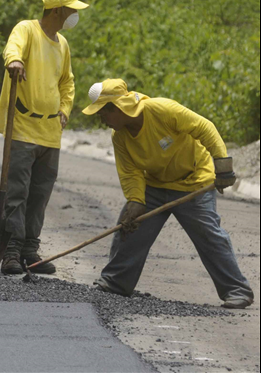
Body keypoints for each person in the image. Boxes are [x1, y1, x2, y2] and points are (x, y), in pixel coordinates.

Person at [82, 79, 254, 309]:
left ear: (118, 108)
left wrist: (222, 165)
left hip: (193, 183)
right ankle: (115, 282)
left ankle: (237, 290)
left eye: (103, 114)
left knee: (209, 235)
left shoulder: (161, 110)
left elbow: (205, 128)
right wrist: (135, 200)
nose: (102, 121)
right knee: (130, 227)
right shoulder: (120, 137)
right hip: (154, 186)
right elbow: (130, 172)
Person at [0, 0, 88, 275]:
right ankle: (10, 251)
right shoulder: (27, 30)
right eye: (71, 9)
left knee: (40, 194)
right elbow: (12, 48)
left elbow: (67, 82)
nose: (74, 15)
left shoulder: (63, 44)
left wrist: (64, 110)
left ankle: (29, 251)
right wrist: (15, 61)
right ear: (57, 10)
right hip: (22, 127)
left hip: (50, 131)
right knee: (17, 192)